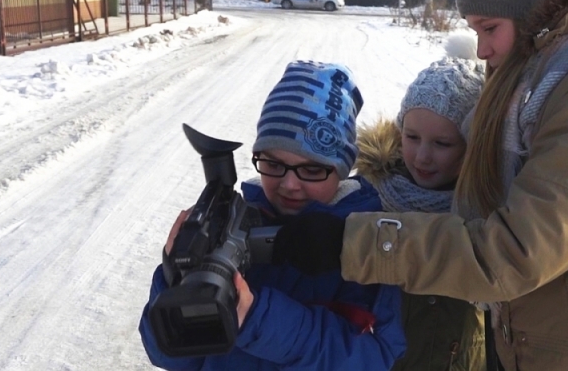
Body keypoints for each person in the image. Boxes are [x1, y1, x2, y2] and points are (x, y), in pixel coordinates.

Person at [271, 0, 568, 370]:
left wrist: (354, 244)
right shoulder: (542, 85)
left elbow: (516, 252)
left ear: (536, 12)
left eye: (489, 28)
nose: (482, 50)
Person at [138, 61, 406, 370]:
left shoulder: (366, 241)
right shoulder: (230, 228)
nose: (290, 184)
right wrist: (174, 282)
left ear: (341, 171)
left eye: (312, 169)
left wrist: (255, 318)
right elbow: (169, 357)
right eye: (274, 164)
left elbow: (369, 359)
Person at [355, 41, 486, 370]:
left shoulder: (492, 211)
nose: (422, 156)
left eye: (442, 143)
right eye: (412, 137)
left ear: (472, 144)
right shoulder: (368, 198)